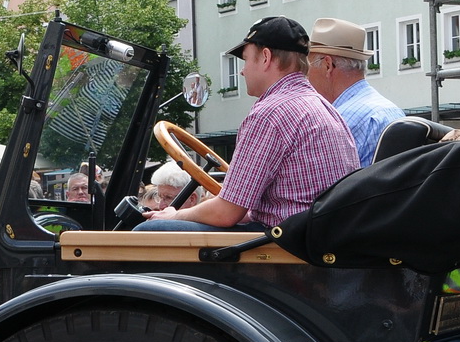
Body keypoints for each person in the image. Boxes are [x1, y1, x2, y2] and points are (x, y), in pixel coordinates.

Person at [139, 16, 358, 230]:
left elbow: (225, 213)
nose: (242, 71)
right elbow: (263, 205)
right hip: (320, 239)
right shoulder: (326, 108)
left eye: (245, 59)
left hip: (289, 246)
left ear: (265, 57)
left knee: (148, 230)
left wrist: (176, 214)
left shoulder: (270, 112)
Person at [305, 17, 403, 166]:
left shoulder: (339, 121)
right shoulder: (393, 110)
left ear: (328, 65)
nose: (305, 74)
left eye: (308, 65)